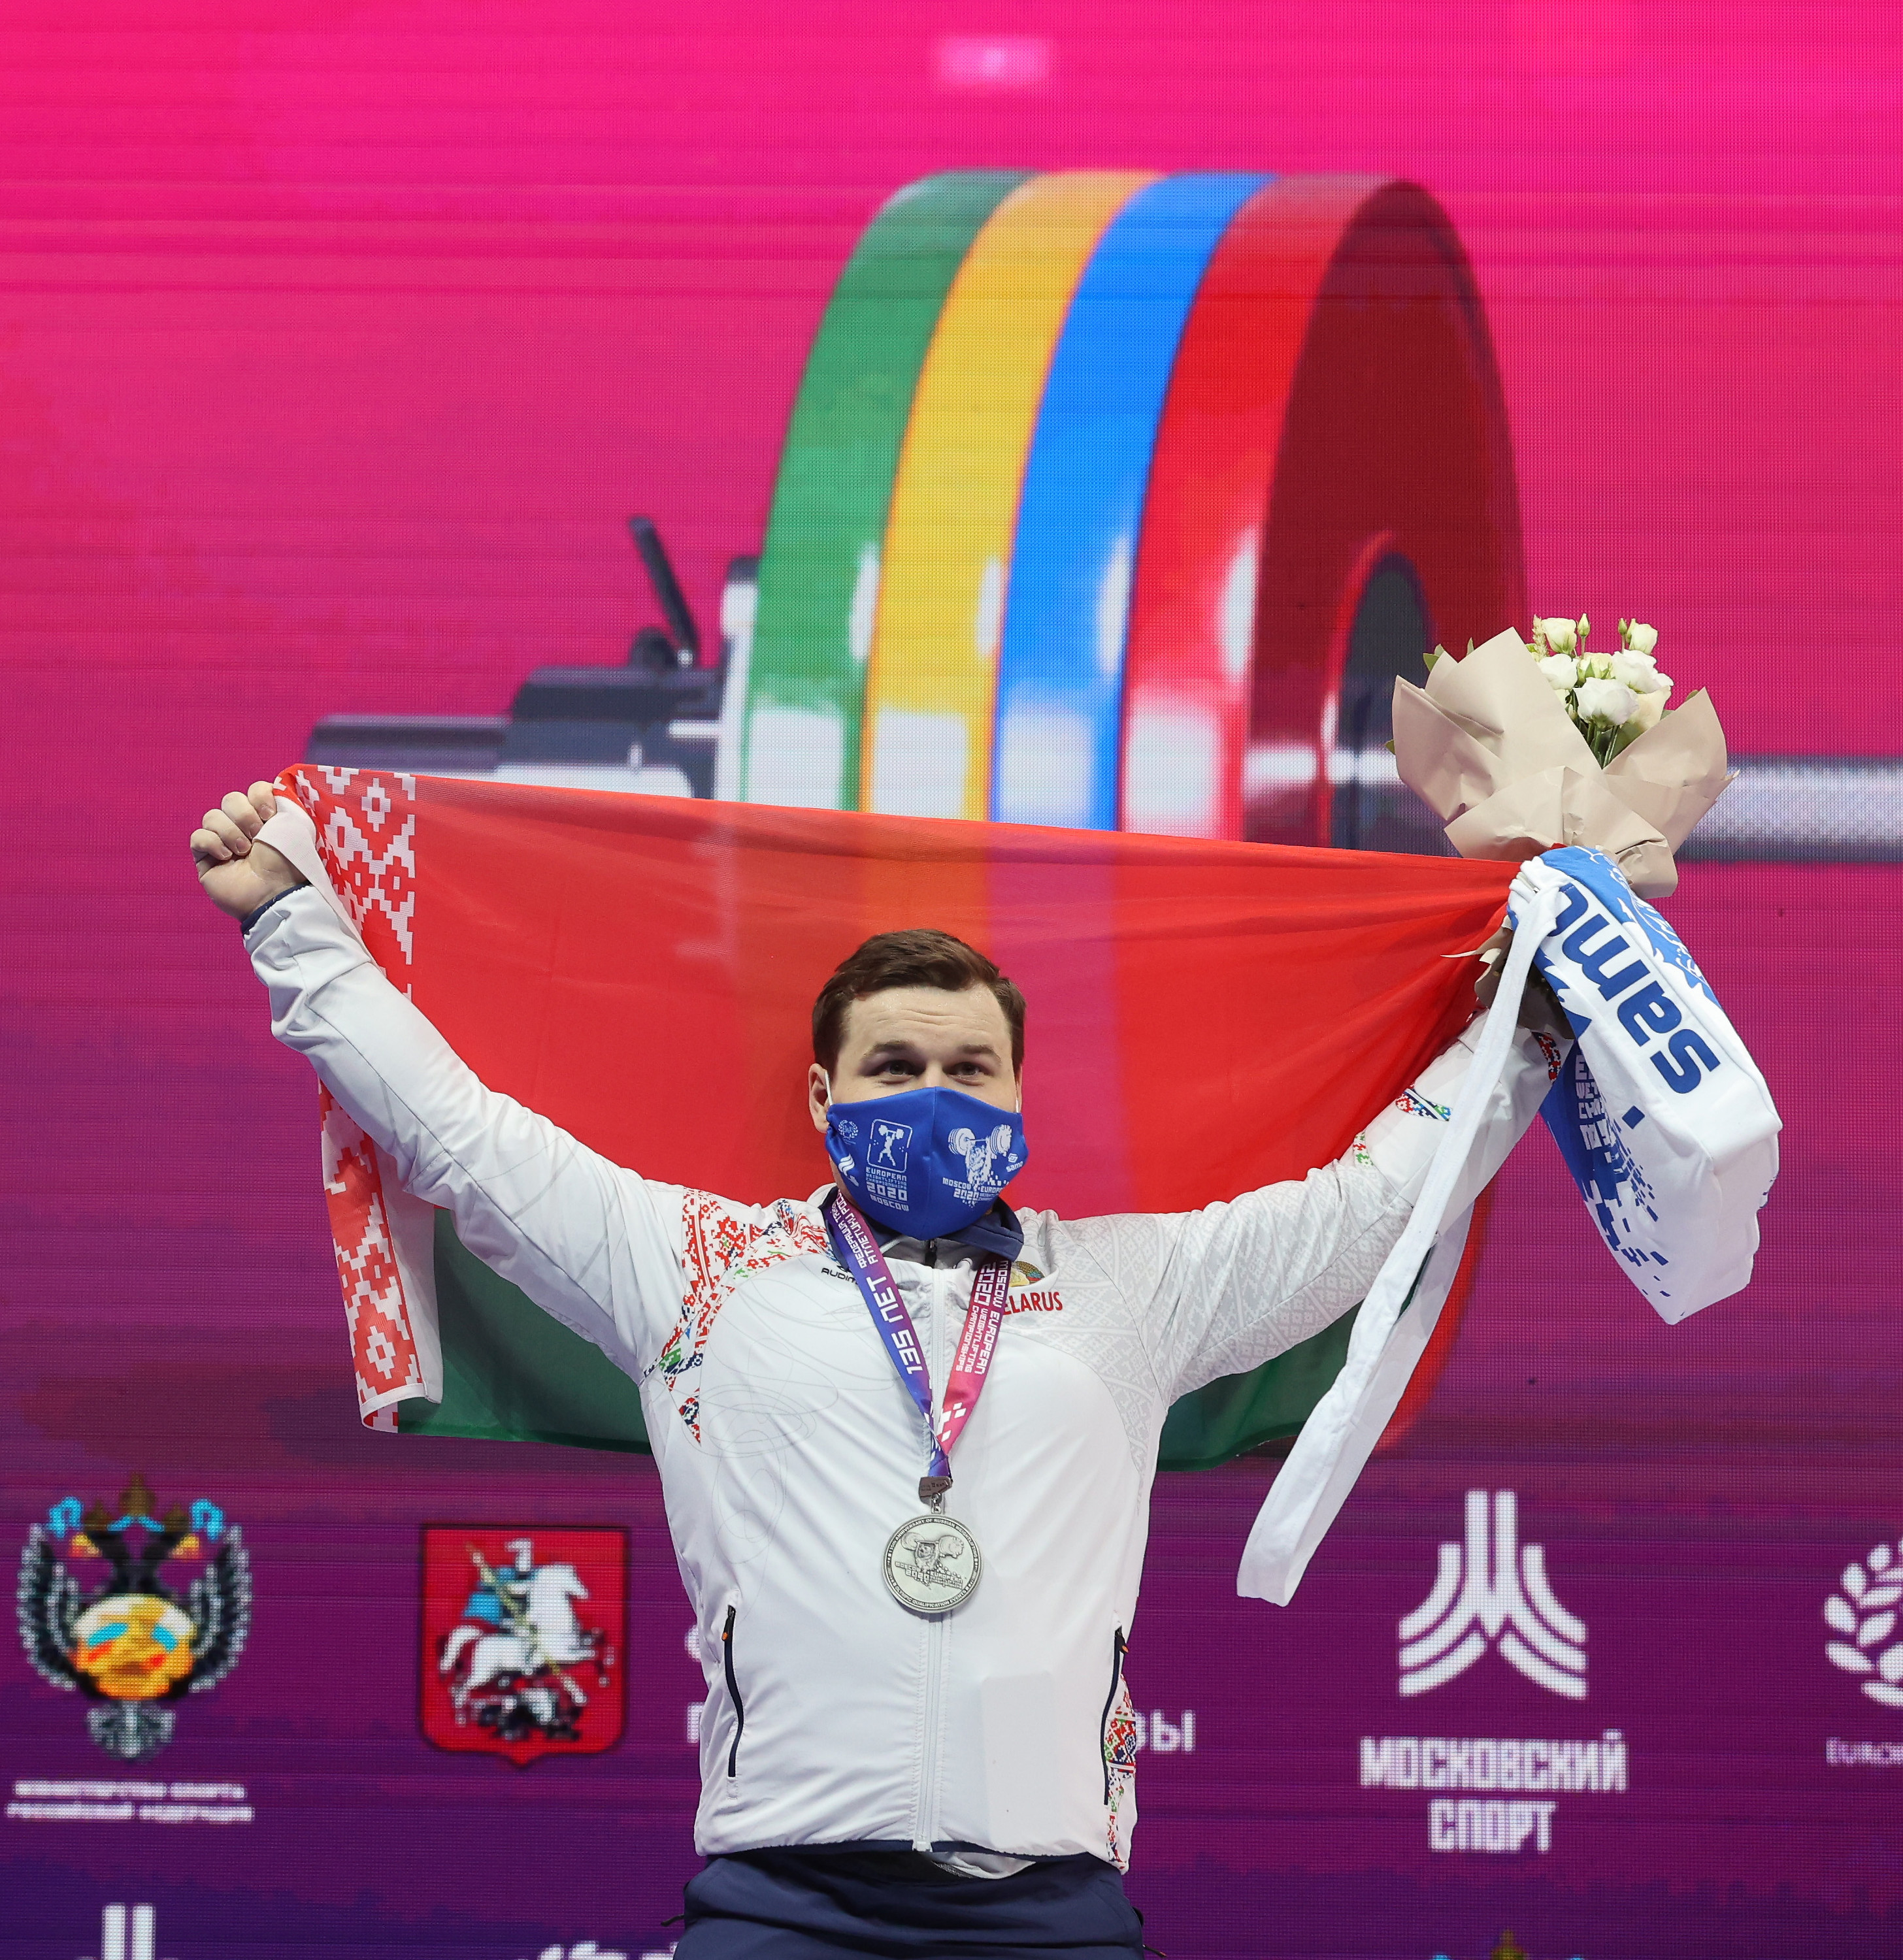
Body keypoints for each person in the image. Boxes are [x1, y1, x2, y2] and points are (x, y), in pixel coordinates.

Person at [192, 780, 1564, 1959]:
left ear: (1018, 1096)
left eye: (970, 1068)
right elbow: (458, 1135)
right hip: (782, 1903)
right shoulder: (694, 1269)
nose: (933, 1093)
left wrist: (1536, 1016)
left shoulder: (1129, 1286)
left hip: (1055, 1909)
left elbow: (1369, 1205)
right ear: (822, 1096)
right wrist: (290, 922)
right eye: (893, 1065)